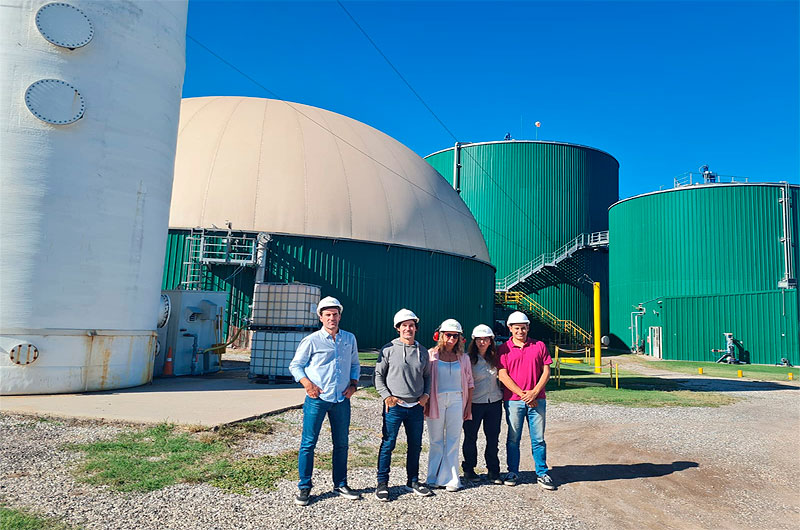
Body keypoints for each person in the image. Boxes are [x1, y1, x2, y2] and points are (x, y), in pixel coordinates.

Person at [288, 296, 361, 506]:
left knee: (341, 444)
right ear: (320, 317)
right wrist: (307, 384)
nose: (332, 318)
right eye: (328, 315)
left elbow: (355, 364)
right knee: (308, 444)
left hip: (341, 399)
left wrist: (353, 384)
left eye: (335, 314)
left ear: (340, 316)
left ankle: (340, 484)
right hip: (317, 399)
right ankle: (304, 487)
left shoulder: (349, 339)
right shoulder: (312, 341)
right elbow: (296, 365)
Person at [374, 309, 433, 501]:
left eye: (411, 325)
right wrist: (386, 396)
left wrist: (425, 395)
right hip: (395, 406)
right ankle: (382, 484)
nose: (408, 329)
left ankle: (413, 481)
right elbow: (378, 376)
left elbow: (428, 376)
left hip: (415, 406)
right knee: (388, 443)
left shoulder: (422, 351)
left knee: (415, 445)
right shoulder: (388, 349)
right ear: (397, 328)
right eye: (404, 325)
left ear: (416, 328)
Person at [497, 311, 556, 490]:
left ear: (528, 327)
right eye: (517, 328)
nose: (520, 331)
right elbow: (502, 375)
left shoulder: (539, 346)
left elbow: (546, 371)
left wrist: (535, 392)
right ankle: (513, 471)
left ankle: (542, 472)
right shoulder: (504, 349)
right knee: (513, 438)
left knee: (538, 438)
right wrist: (524, 395)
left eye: (523, 328)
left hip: (537, 400)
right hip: (514, 401)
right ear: (510, 329)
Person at [424, 319, 474, 491]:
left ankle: (452, 479)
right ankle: (433, 477)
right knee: (436, 440)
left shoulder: (464, 358)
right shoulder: (431, 355)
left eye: (456, 336)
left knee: (453, 440)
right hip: (436, 400)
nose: (452, 339)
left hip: (457, 400)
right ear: (441, 336)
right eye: (449, 335)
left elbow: (469, 383)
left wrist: (468, 406)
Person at [462, 324, 503, 485]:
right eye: (479, 339)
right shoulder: (468, 359)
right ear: (474, 341)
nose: (482, 342)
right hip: (475, 403)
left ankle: (493, 471)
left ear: (491, 340)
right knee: (470, 437)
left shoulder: (495, 358)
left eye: (485, 339)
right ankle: (469, 469)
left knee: (493, 438)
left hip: (494, 402)